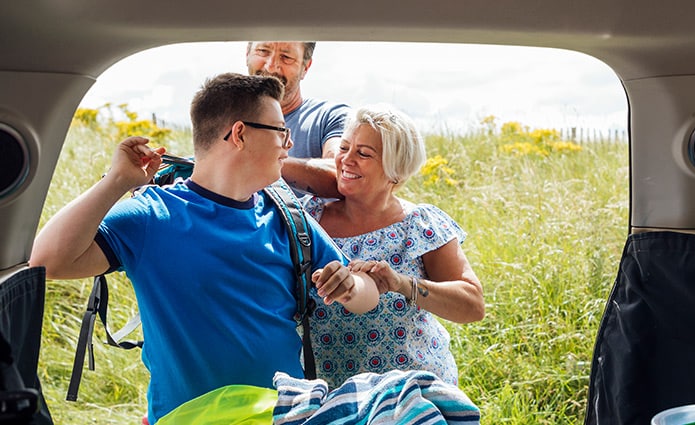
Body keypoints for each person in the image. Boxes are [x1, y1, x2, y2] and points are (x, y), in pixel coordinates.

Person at [29, 73, 379, 424]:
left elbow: (368, 297)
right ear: (240, 134)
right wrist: (116, 181)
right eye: (280, 132)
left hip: (285, 415)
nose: (288, 145)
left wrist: (351, 286)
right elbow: (47, 261)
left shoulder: (287, 216)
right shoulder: (153, 215)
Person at [301, 104, 485, 387]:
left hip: (413, 393)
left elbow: (472, 304)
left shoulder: (420, 224)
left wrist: (401, 283)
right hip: (330, 394)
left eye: (363, 154)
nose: (346, 160)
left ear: (396, 171)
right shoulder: (306, 218)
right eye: (345, 148)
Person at [246, 41, 348, 198]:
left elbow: (341, 175)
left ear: (305, 68)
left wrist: (258, 161)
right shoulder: (223, 118)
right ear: (247, 54)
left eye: (286, 57)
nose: (271, 66)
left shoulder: (331, 117)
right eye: (263, 51)